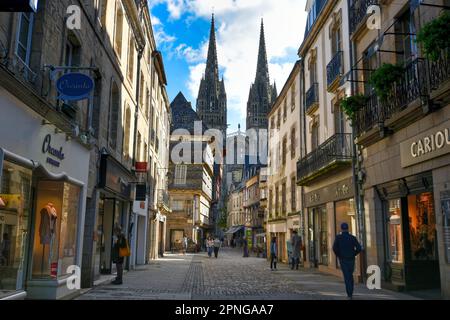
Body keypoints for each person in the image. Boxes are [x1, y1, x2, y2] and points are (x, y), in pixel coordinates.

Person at [333, 223, 362, 300]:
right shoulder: (352, 238)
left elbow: (334, 248)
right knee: (350, 275)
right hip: (351, 259)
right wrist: (354, 254)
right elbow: (359, 248)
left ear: (341, 229)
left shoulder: (338, 238)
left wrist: (339, 255)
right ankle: (350, 291)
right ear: (348, 229)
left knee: (347, 276)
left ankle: (349, 293)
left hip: (343, 259)